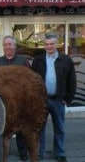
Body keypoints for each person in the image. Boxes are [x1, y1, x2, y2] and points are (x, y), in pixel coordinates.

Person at [31, 33, 76, 162]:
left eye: (51, 44)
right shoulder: (38, 60)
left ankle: (60, 152)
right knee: (40, 128)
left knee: (60, 128)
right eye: (46, 44)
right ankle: (39, 153)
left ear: (57, 44)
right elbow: (33, 80)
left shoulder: (66, 60)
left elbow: (71, 81)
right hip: (42, 101)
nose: (49, 46)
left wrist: (68, 99)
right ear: (44, 45)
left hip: (58, 100)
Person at [0, 35, 30, 161]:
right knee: (2, 127)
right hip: (2, 101)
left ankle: (23, 152)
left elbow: (29, 80)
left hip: (19, 101)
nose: (8, 47)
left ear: (15, 46)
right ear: (3, 47)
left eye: (10, 44)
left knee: (20, 128)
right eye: (6, 44)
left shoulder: (23, 61)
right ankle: (2, 152)